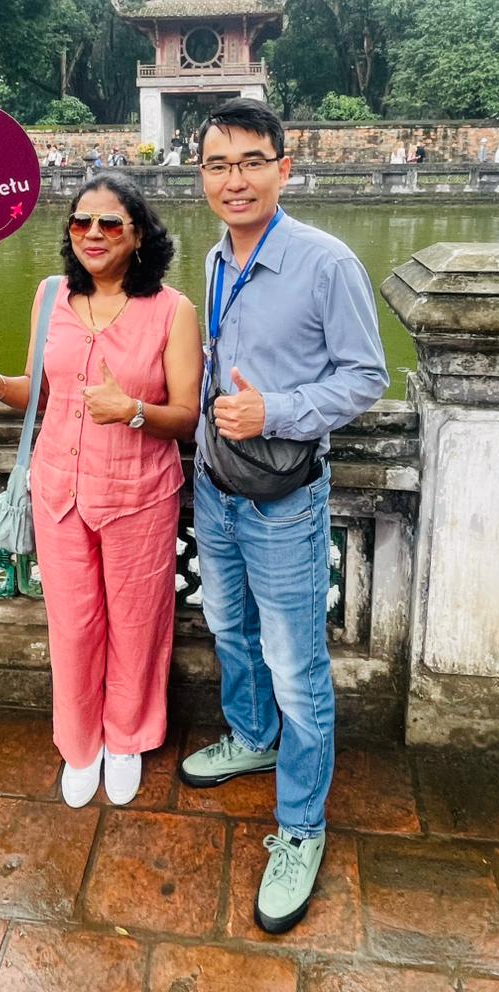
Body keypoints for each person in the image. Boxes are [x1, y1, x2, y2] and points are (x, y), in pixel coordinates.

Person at [180, 98, 388, 935]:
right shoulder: (213, 259)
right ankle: (251, 734)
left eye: (251, 161)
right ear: (202, 177)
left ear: (283, 167)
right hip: (212, 483)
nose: (236, 179)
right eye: (219, 165)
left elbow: (366, 376)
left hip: (284, 496)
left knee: (296, 663)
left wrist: (280, 412)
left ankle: (301, 825)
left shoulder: (325, 262)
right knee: (227, 626)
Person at [0, 175, 203, 808]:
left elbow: (187, 415)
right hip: (58, 490)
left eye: (110, 224)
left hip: (140, 493)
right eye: (81, 222)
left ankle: (126, 738)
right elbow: (39, 393)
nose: (93, 234)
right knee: (73, 624)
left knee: (139, 624)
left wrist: (133, 410)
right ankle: (80, 740)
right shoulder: (50, 296)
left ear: (138, 235)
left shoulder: (172, 310)